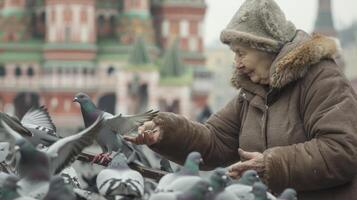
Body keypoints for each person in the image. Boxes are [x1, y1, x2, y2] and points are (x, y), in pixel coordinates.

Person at [124, 0, 357, 199]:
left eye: (241, 52)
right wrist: (166, 131)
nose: (236, 63)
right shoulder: (252, 92)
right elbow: (214, 141)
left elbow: (342, 150)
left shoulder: (322, 79)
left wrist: (271, 165)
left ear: (266, 48)